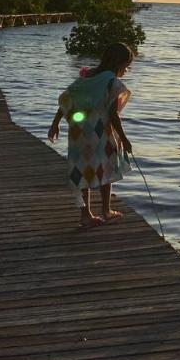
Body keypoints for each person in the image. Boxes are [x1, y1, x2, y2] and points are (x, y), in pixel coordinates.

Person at [47, 42, 134, 227]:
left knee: (82, 169)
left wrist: (55, 124)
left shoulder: (87, 76)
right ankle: (106, 210)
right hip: (101, 132)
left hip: (79, 133)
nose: (126, 71)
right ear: (119, 64)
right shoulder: (112, 82)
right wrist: (124, 139)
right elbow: (113, 115)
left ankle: (85, 215)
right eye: (126, 67)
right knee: (107, 168)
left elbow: (67, 99)